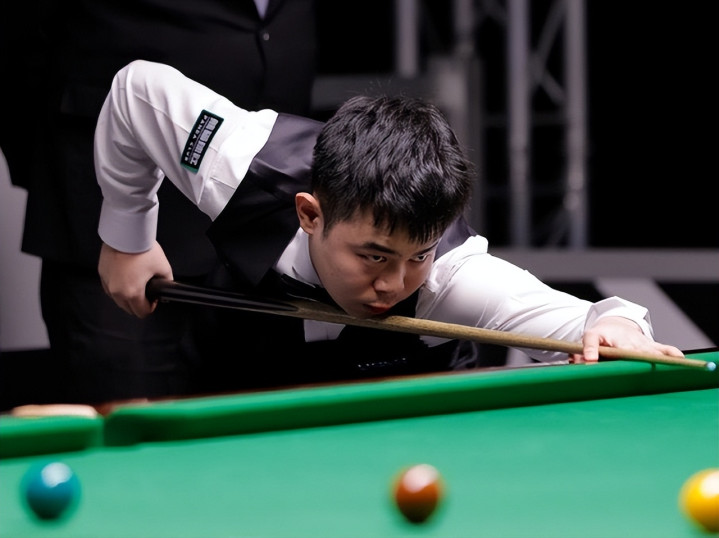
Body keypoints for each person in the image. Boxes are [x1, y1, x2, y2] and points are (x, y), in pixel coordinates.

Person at [94, 60, 685, 389]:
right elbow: (136, 90)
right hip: (248, 365)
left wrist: (617, 326)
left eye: (417, 255)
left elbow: (592, 323)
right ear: (310, 214)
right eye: (374, 256)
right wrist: (127, 237)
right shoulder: (240, 164)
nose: (395, 284)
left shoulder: (452, 276)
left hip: (420, 396)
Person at [0, 0, 319, 403]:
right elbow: (14, 41)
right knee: (128, 425)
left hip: (269, 240)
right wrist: (60, 178)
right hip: (114, 236)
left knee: (262, 423)